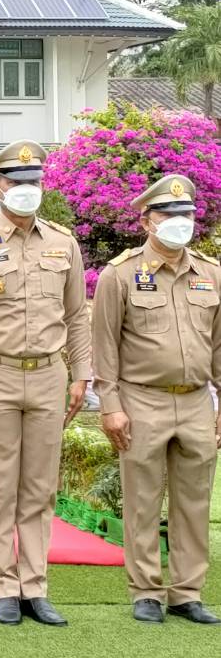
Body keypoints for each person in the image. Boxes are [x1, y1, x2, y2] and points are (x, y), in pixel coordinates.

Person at [0, 139, 90, 626]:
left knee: (41, 487)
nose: (27, 189)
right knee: (1, 485)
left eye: (34, 181)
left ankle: (35, 586)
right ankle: (4, 586)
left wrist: (81, 374)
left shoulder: (63, 243)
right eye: (16, 181)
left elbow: (77, 316)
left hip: (49, 373)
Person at [93, 174, 221, 626]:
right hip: (142, 399)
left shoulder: (210, 273)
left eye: (186, 214)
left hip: (196, 401)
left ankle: (186, 592)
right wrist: (111, 406)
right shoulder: (121, 274)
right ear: (146, 220)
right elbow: (104, 346)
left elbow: (219, 345)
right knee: (143, 500)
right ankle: (146, 590)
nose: (178, 221)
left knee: (194, 502)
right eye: (168, 214)